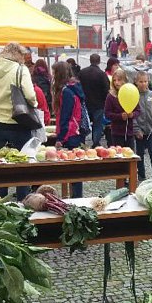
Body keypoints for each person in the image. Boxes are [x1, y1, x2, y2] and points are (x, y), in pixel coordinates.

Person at [0, 42, 37, 200]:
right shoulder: (20, 69)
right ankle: (22, 201)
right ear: (18, 55)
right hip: (18, 122)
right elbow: (31, 96)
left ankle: (0, 200)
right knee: (22, 166)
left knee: (2, 166)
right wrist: (34, 106)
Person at [52, 61, 87, 198]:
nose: (52, 75)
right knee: (75, 169)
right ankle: (75, 196)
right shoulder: (73, 88)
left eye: (54, 72)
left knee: (73, 169)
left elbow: (66, 116)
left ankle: (76, 198)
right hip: (75, 132)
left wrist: (61, 138)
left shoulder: (66, 92)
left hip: (70, 134)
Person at [79, 53, 110, 147]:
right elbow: (106, 89)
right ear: (99, 61)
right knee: (97, 124)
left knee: (84, 123)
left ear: (90, 60)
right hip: (98, 104)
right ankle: (95, 142)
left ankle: (82, 141)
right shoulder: (102, 74)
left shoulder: (82, 72)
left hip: (85, 103)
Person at [133, 71, 152, 181]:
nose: (143, 84)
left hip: (151, 130)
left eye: (145, 81)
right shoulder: (134, 96)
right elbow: (133, 115)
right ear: (136, 82)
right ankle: (141, 175)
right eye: (141, 82)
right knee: (140, 155)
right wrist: (136, 129)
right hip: (139, 131)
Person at [104, 68, 140, 150]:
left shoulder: (131, 93)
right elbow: (107, 113)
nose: (117, 82)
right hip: (116, 132)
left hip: (129, 132)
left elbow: (138, 110)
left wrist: (132, 114)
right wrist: (120, 116)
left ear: (124, 80)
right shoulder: (111, 96)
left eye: (119, 80)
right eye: (114, 80)